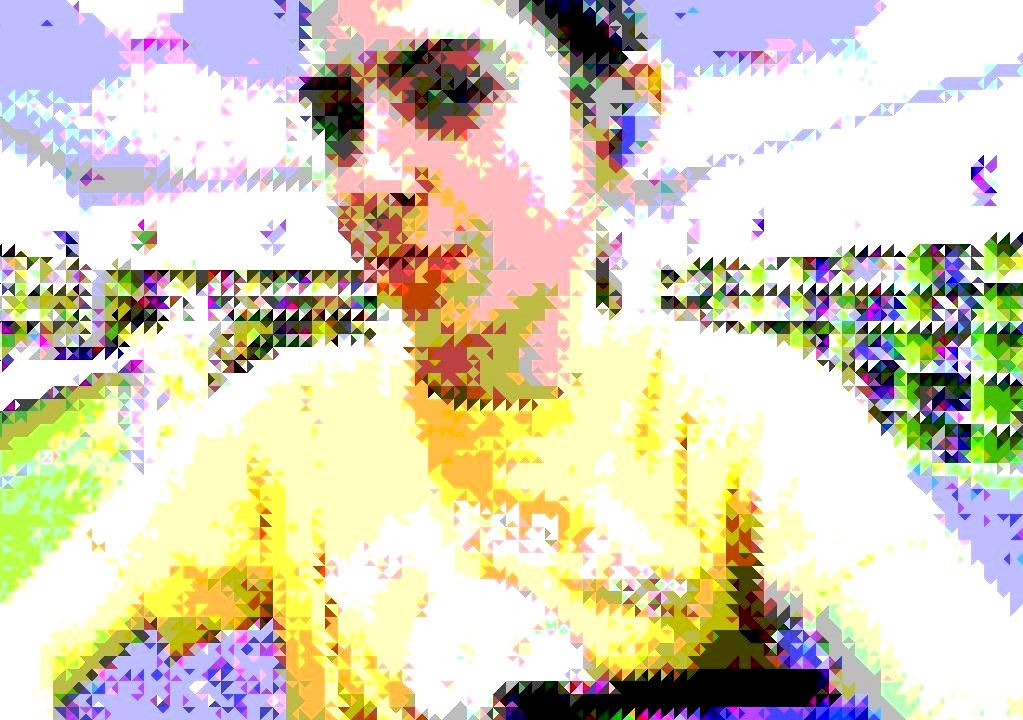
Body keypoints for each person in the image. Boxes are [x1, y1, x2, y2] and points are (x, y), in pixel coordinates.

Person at [2, 1, 1022, 718]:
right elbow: (27, 643)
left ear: (613, 122)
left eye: (451, 92)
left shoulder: (748, 418)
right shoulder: (273, 428)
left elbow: (953, 669)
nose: (369, 178)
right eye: (336, 121)